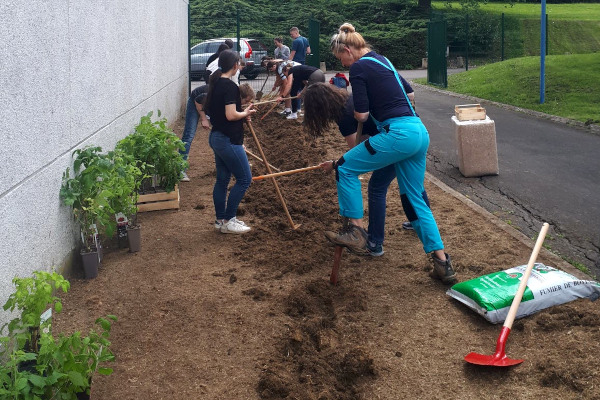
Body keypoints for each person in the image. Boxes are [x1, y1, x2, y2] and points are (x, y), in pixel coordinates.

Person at [323, 23, 457, 284]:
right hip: (418, 131)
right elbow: (410, 92)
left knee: (345, 169)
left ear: (348, 50)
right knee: (414, 200)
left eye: (341, 58)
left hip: (397, 134)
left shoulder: (360, 67)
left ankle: (357, 231)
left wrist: (367, 112)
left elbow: (360, 114)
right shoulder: (382, 60)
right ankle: (442, 263)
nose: (344, 63)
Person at [303, 82, 430, 255]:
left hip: (394, 140)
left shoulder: (345, 117)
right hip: (412, 130)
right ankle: (419, 224)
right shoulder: (351, 99)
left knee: (377, 187)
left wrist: (335, 165)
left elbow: (357, 155)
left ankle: (374, 243)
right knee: (412, 186)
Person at [204, 50, 256, 234]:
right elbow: (231, 114)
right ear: (235, 65)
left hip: (217, 136)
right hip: (228, 140)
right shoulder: (230, 86)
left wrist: (242, 115)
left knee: (223, 180)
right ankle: (229, 220)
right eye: (239, 64)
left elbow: (222, 113)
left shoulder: (216, 83)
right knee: (244, 179)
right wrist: (245, 114)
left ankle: (220, 220)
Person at [179, 85, 210, 181]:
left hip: (205, 102)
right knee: (189, 134)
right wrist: (204, 118)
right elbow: (198, 100)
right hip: (195, 102)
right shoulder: (218, 93)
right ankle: (180, 169)